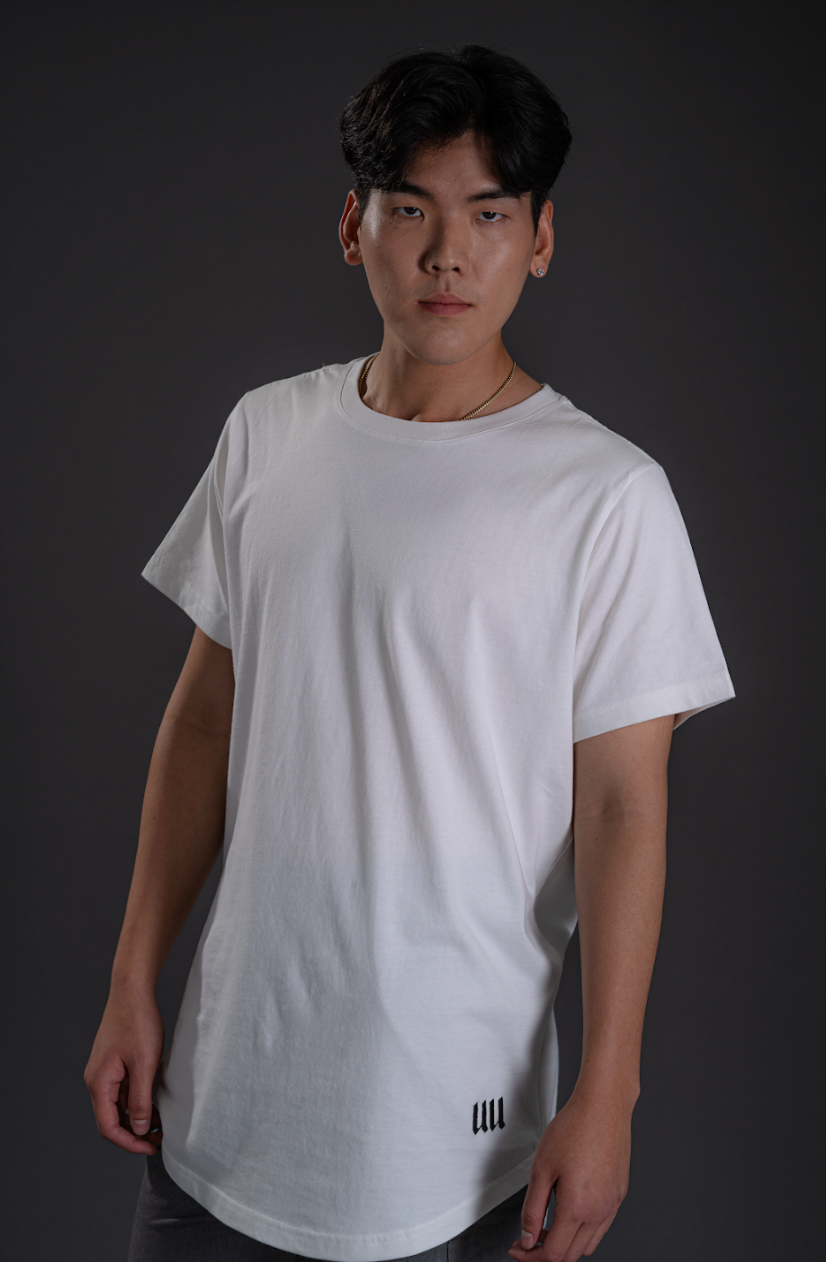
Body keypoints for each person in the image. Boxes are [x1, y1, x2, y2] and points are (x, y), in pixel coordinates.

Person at [84, 44, 734, 1262]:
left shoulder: (607, 495)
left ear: (540, 238)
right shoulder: (266, 430)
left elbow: (620, 805)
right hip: (221, 1106)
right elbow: (205, 720)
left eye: (488, 214)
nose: (447, 254)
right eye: (411, 209)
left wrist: (609, 1090)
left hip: (451, 1139)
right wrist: (132, 979)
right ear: (354, 226)